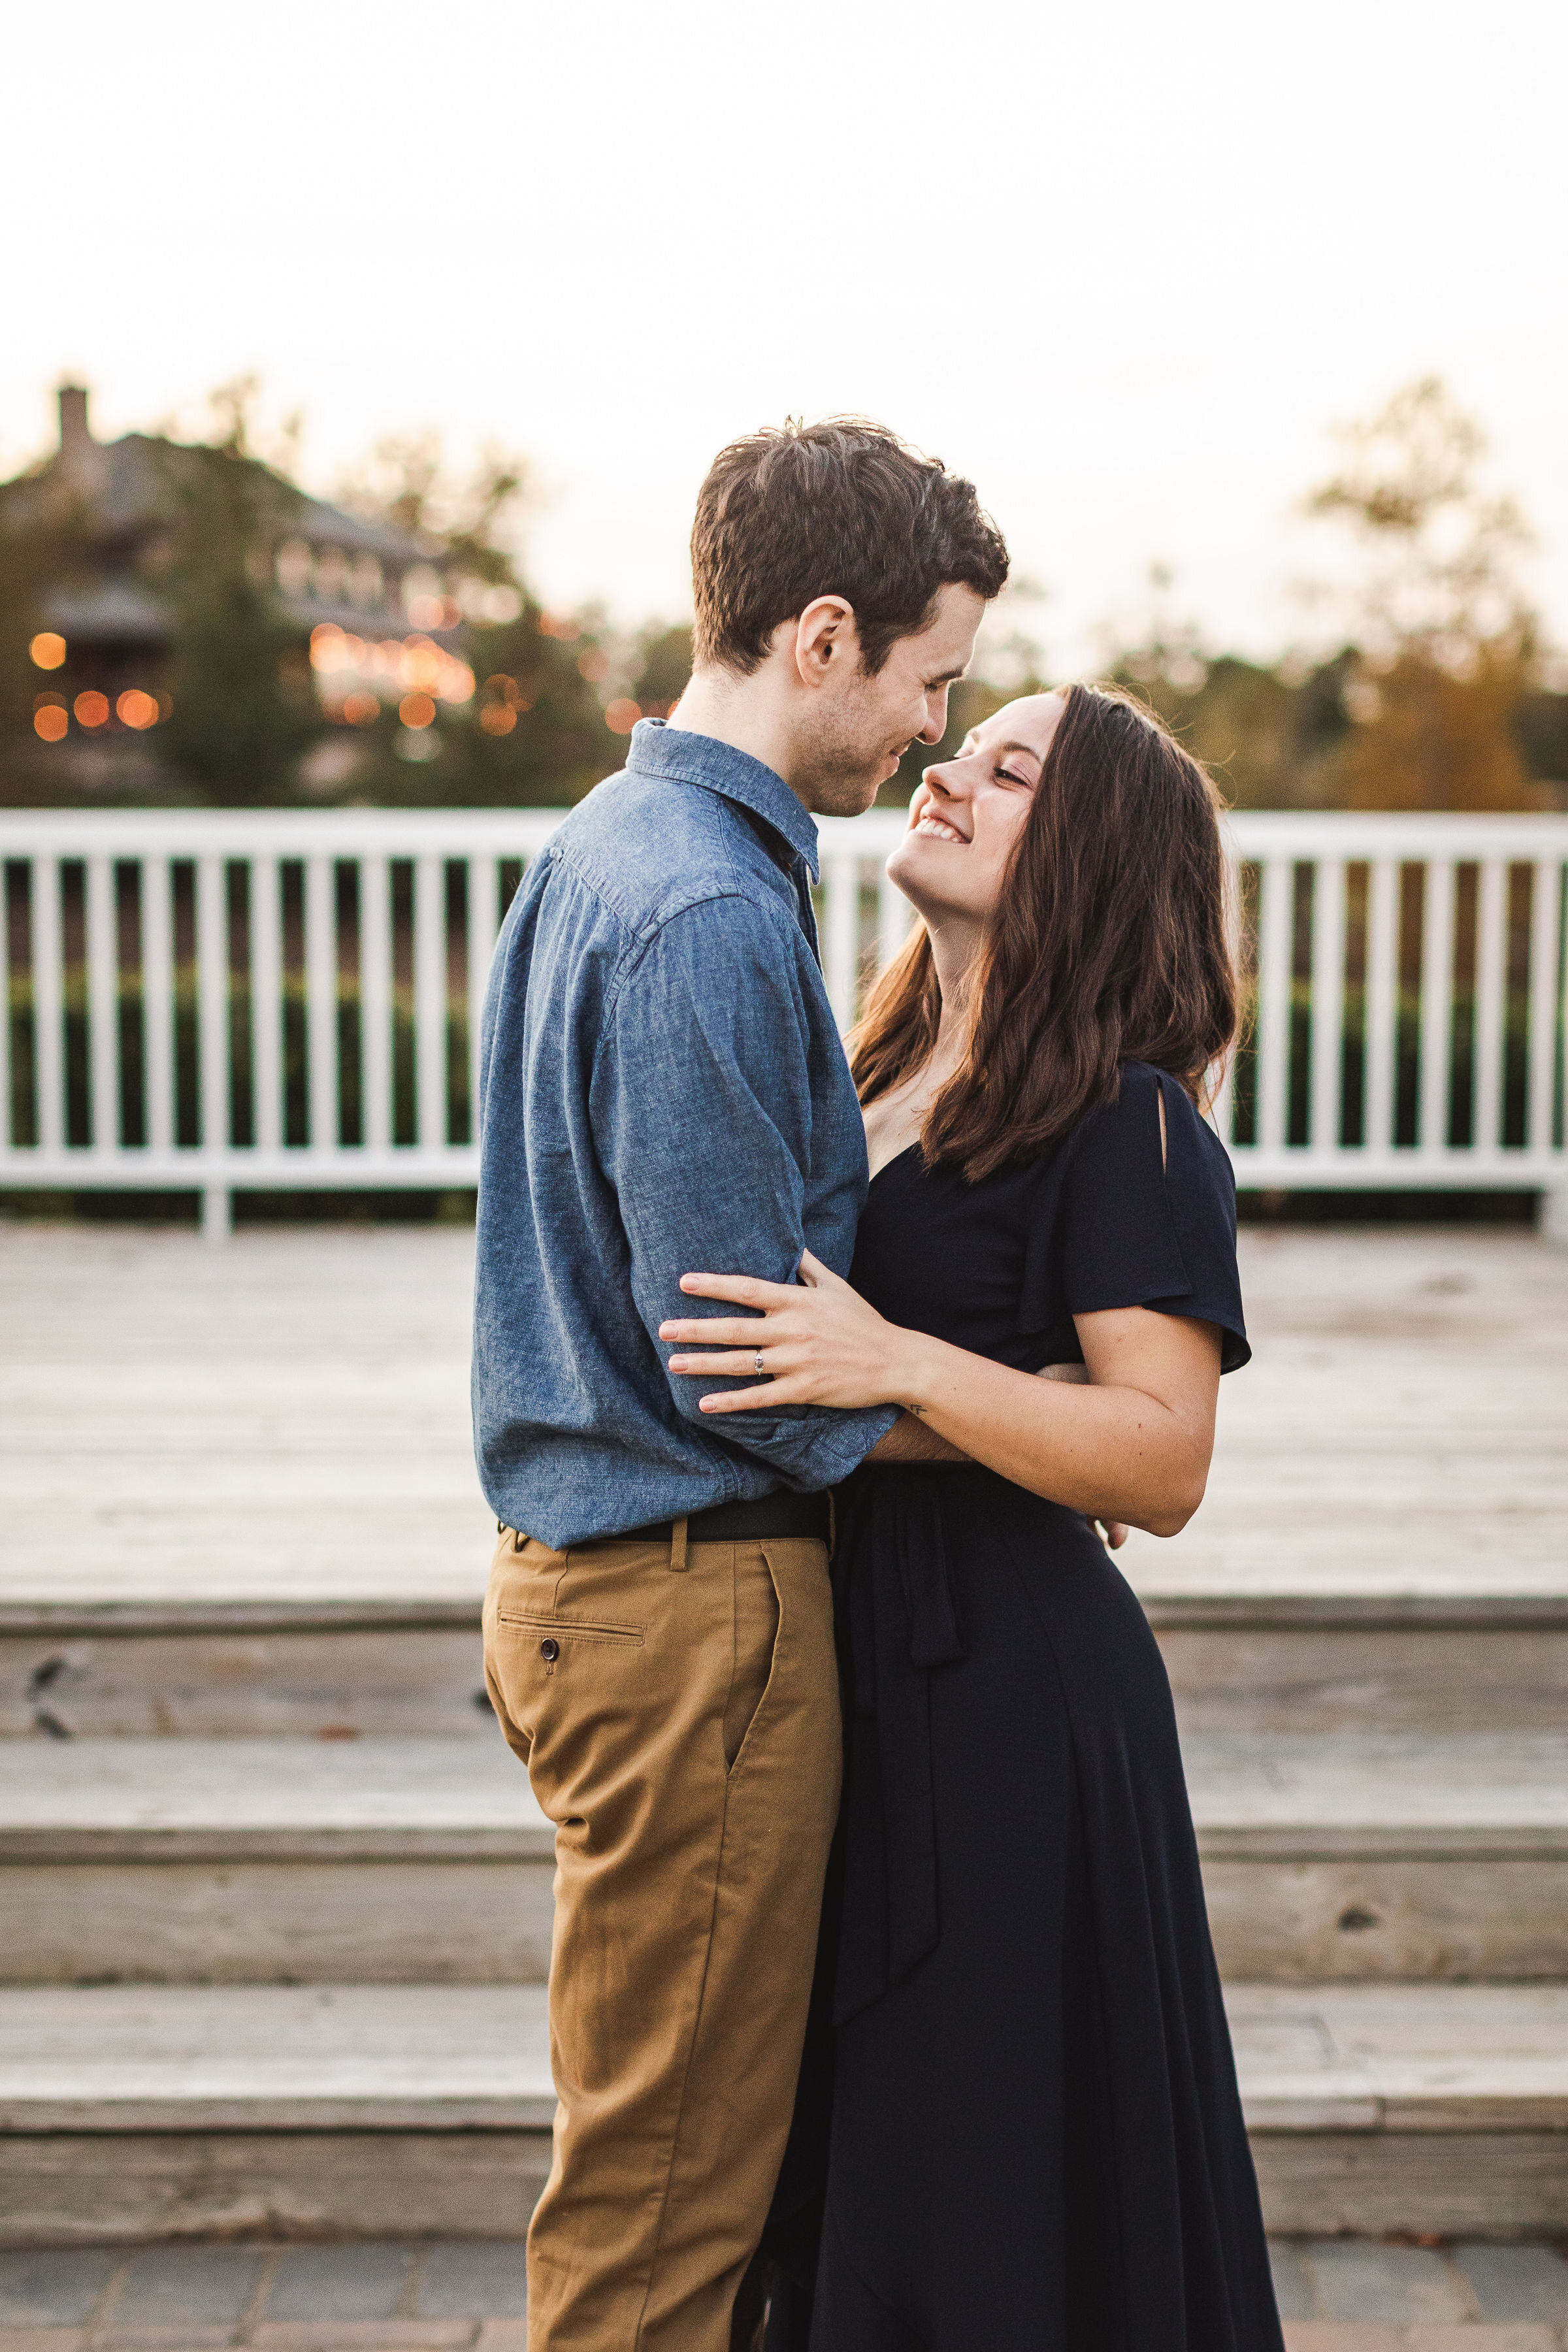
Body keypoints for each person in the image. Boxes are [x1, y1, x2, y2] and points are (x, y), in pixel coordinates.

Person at [661, 683, 1286, 2350]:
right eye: (962, 747)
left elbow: (1162, 1458)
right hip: (840, 1665)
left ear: (1088, 857)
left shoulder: (1130, 1118)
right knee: (862, 2164)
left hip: (1008, 1709)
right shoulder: (866, 1065)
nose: (948, 774)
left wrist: (899, 1365)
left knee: (977, 2177)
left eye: (1009, 772)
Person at [471, 417, 1009, 2352]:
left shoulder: (609, 849)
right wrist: (1020, 1426)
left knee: (665, 2171)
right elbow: (753, 1365)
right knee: (663, 2224)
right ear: (825, 634)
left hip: (607, 1594)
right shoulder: (706, 907)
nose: (931, 742)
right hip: (689, 1610)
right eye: (931, 684)